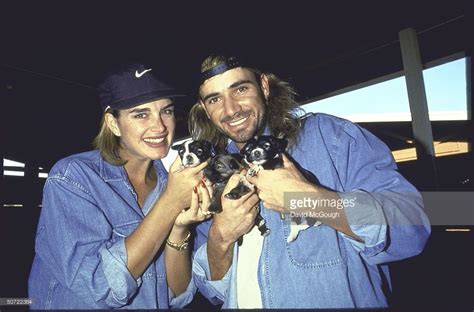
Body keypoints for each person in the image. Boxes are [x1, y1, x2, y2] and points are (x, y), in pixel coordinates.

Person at [189, 55, 431, 309]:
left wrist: (309, 200)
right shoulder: (213, 175)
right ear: (206, 109)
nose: (231, 109)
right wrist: (220, 239)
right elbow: (213, 292)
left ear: (264, 86)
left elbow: (411, 229)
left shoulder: (332, 138)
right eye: (215, 99)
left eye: (240, 89)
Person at [28, 62, 212, 309]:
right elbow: (98, 285)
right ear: (113, 123)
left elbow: (177, 295)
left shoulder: (172, 184)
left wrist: (179, 229)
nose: (159, 126)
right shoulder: (73, 178)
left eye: (166, 111)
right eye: (141, 114)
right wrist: (170, 203)